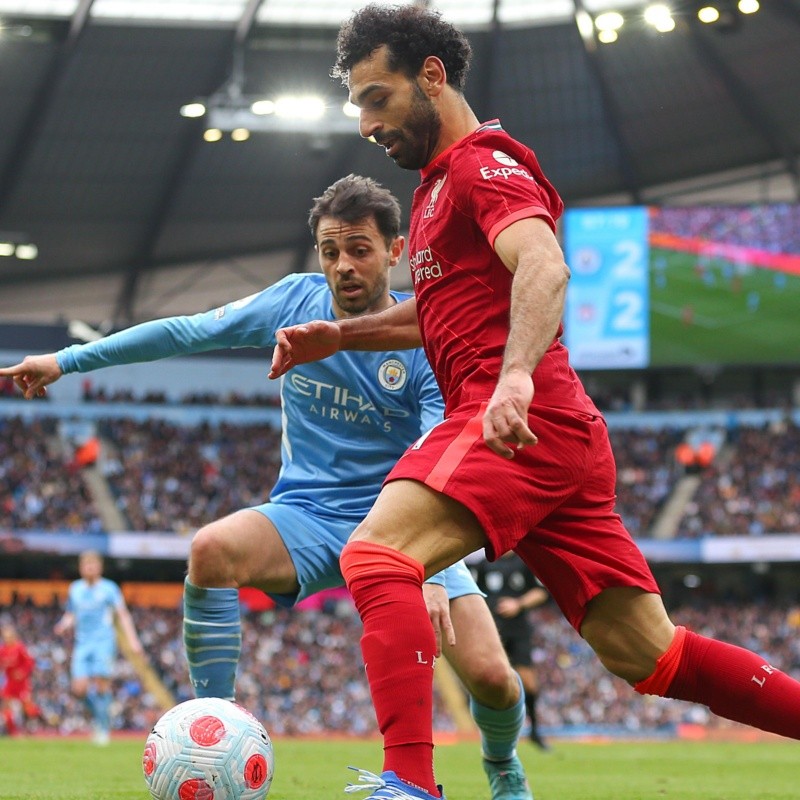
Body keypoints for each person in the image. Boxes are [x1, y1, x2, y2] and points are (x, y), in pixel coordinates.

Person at [267, 5, 800, 799]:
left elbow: (544, 265)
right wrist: (343, 337)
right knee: (651, 656)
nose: (366, 122)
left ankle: (409, 784)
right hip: (553, 435)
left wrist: (514, 375)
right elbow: (442, 311)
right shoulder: (435, 191)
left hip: (515, 416)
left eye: (377, 97)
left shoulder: (484, 166)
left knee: (376, 556)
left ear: (432, 77)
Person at [1, 175, 534, 800]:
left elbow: (434, 460)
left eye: (360, 249)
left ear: (395, 252)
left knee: (494, 678)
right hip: (308, 517)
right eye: (330, 250)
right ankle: (213, 731)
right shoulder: (294, 304)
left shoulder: (426, 340)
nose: (343, 265)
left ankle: (503, 768)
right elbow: (185, 332)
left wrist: (436, 574)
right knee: (210, 549)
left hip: (405, 524)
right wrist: (66, 360)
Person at [53, 550, 143, 745]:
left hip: (103, 641)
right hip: (82, 643)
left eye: (93, 565)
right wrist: (62, 624)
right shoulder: (75, 588)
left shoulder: (109, 588)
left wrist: (133, 641)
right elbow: (71, 614)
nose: (90, 568)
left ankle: (103, 728)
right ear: (81, 568)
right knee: (79, 688)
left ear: (99, 567)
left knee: (102, 685)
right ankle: (100, 718)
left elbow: (123, 614)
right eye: (86, 565)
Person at [470, 553, 549, 750]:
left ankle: (534, 731)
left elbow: (541, 592)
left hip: (518, 631)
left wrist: (518, 604)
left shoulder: (525, 562)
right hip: (491, 630)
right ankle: (492, 735)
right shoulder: (483, 564)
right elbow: (471, 594)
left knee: (529, 683)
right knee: (492, 681)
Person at [0, 622, 41, 736]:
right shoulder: (2, 650)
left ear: (14, 636)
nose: (7, 639)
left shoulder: (20, 648)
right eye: (5, 637)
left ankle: (34, 724)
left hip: (22, 683)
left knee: (27, 707)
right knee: (5, 705)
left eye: (9, 637)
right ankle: (12, 731)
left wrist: (22, 672)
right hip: (9, 682)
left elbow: (30, 662)